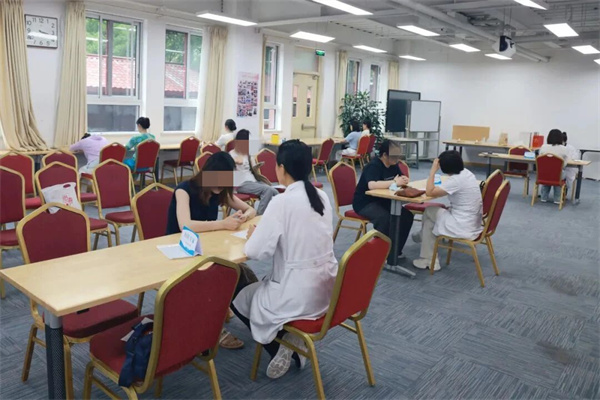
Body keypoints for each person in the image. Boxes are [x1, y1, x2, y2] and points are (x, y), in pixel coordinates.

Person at [232, 139, 338, 379]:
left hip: (296, 293)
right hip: (326, 290)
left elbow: (256, 252)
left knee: (239, 298)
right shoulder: (321, 196)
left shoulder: (281, 202)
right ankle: (289, 337)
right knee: (259, 287)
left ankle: (281, 345)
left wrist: (255, 235)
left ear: (281, 168)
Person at [165, 151, 256, 350]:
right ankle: (213, 326)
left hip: (207, 247)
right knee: (214, 275)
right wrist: (222, 224)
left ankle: (230, 308)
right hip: (182, 249)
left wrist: (243, 216)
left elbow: (251, 209)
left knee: (238, 271)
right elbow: (185, 225)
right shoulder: (184, 190)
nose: (221, 187)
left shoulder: (220, 191)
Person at [412, 150, 483, 271]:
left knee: (429, 210)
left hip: (461, 225)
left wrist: (432, 171)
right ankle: (429, 260)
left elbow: (429, 192)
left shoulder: (455, 180)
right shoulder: (467, 173)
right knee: (429, 223)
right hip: (472, 222)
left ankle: (424, 243)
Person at [352, 139, 414, 257]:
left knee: (406, 216)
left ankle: (394, 252)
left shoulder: (394, 165)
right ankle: (379, 253)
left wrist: (404, 179)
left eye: (398, 156)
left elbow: (400, 178)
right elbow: (372, 185)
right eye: (394, 156)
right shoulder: (374, 166)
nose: (397, 159)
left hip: (384, 200)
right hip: (365, 203)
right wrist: (394, 182)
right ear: (384, 155)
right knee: (384, 218)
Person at [229, 129, 279, 215]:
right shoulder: (231, 154)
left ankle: (277, 215)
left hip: (253, 181)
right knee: (267, 190)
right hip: (241, 183)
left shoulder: (247, 154)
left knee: (275, 192)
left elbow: (252, 169)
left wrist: (256, 167)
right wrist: (234, 161)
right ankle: (258, 216)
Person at [539, 129, 570, 204]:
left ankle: (543, 197)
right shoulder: (564, 149)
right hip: (558, 175)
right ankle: (557, 199)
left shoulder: (543, 147)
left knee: (547, 175)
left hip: (544, 174)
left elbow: (540, 160)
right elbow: (564, 164)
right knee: (560, 174)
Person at [563, 132, 578, 196]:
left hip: (568, 168)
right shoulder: (557, 147)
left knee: (566, 175)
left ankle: (563, 193)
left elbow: (574, 158)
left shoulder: (571, 148)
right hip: (558, 169)